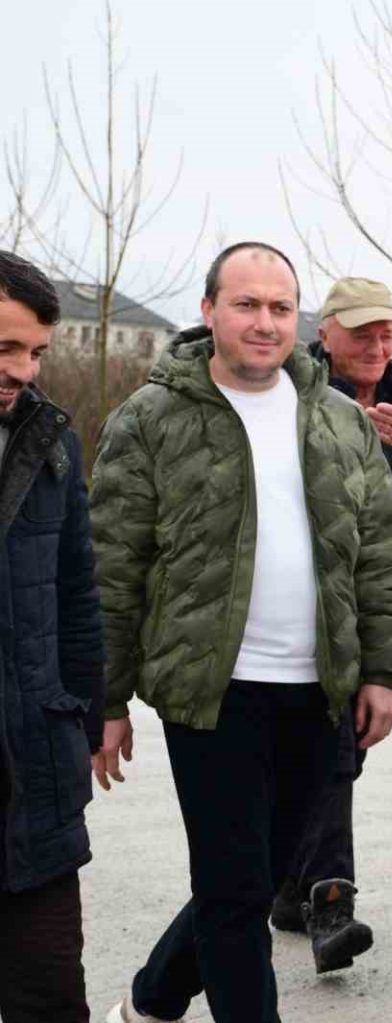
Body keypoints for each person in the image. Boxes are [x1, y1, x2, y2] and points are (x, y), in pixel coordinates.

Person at [92, 242, 392, 1023]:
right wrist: (105, 698)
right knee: (236, 893)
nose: (264, 322)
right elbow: (111, 566)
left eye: (279, 307)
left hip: (319, 688)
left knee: (258, 874)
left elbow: (378, 552)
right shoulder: (151, 418)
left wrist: (383, 669)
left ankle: (153, 997)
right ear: (209, 311)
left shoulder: (339, 419)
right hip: (211, 690)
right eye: (246, 304)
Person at [268, 277, 392, 973]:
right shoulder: (288, 399)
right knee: (331, 745)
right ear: (324, 332)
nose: (377, 346)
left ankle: (288, 887)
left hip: (387, 599)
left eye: (386, 333)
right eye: (361, 333)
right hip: (307, 605)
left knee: (344, 749)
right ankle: (331, 901)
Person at [0, 252, 107, 1023]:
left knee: (50, 998)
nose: (23, 371)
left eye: (35, 351)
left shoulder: (52, 444)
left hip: (34, 784)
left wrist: (87, 717)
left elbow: (77, 597)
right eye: (5, 347)